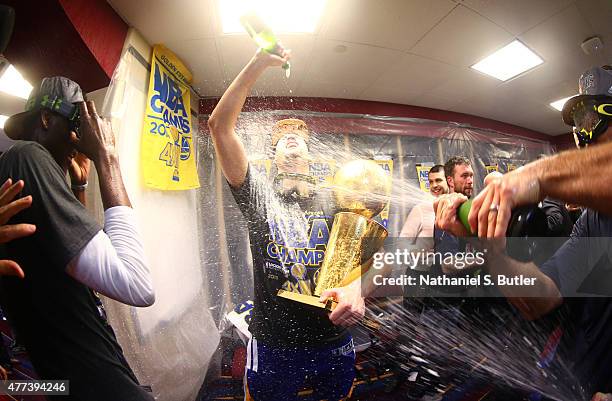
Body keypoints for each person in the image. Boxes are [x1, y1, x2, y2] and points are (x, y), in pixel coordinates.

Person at [434, 65, 612, 397]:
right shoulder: (594, 220)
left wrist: (534, 177)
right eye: (579, 126)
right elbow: (540, 298)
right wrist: (488, 246)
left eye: (592, 120)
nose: (584, 136)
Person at [208, 47, 363, 401]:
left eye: (299, 139)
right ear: (273, 157)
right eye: (280, 140)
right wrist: (259, 62)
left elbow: (355, 257)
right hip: (275, 344)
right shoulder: (257, 195)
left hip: (333, 340)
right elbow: (219, 126)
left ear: (310, 154)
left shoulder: (338, 197)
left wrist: (357, 287)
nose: (290, 139)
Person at [0, 76, 155, 400]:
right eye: (77, 124)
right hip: (94, 385)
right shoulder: (28, 156)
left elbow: (74, 273)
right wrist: (107, 157)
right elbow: (137, 285)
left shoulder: (32, 168)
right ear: (46, 119)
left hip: (73, 384)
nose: (82, 137)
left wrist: (79, 188)